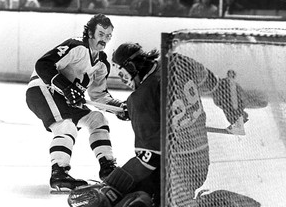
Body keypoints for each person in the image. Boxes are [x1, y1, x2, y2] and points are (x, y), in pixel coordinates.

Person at [69, 41, 249, 206]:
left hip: (177, 169)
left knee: (142, 199)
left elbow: (148, 160)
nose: (124, 80)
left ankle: (219, 202)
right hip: (199, 161)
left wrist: (112, 184)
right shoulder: (177, 62)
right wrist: (234, 113)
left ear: (132, 66)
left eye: (123, 74)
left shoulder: (140, 100)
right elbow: (218, 86)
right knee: (140, 198)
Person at [25, 14, 129, 191]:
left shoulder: (102, 63)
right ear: (90, 33)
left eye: (108, 36)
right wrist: (66, 87)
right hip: (41, 90)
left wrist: (119, 107)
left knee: (98, 119)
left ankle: (107, 167)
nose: (104, 40)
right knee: (66, 126)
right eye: (101, 34)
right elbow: (43, 65)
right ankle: (59, 173)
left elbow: (98, 96)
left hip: (66, 100)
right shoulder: (76, 46)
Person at [213, 69, 249, 135]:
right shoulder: (227, 83)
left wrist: (218, 102)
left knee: (233, 114)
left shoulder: (229, 83)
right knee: (234, 114)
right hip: (230, 102)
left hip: (231, 103)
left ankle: (238, 127)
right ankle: (238, 126)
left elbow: (241, 94)